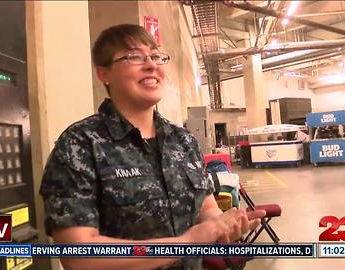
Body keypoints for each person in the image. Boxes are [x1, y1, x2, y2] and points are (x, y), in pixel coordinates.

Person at [39, 24, 265, 270]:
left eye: (156, 56)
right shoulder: (80, 144)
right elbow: (79, 256)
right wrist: (187, 242)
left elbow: (206, 208)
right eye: (134, 56)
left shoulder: (183, 141)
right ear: (103, 74)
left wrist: (223, 226)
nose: (151, 65)